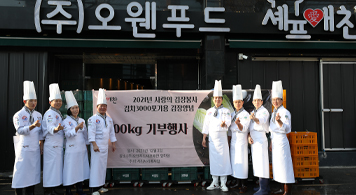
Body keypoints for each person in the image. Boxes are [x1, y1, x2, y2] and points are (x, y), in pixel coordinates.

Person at [12, 81, 43, 195]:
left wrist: (41, 144)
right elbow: (20, 130)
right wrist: (32, 126)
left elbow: (40, 132)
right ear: (25, 101)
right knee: (21, 171)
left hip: (34, 148)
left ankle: (31, 192)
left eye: (35, 100)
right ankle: (18, 192)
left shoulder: (38, 115)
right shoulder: (18, 115)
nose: (34, 103)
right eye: (31, 101)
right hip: (23, 147)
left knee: (32, 173)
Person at [202, 80, 232, 192]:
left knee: (223, 160)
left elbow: (228, 123)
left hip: (222, 139)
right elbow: (206, 126)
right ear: (213, 99)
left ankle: (223, 183)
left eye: (219, 98)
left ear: (222, 99)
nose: (217, 100)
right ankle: (215, 182)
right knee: (214, 160)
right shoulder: (209, 111)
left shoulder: (226, 111)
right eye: (215, 98)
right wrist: (204, 138)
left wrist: (225, 124)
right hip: (212, 139)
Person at [88, 88, 117, 195]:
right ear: (97, 107)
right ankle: (93, 189)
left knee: (102, 166)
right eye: (101, 106)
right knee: (95, 166)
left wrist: (113, 144)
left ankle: (100, 186)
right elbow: (91, 133)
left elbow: (112, 132)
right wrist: (94, 144)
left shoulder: (109, 119)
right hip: (97, 146)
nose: (103, 108)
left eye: (104, 106)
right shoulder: (92, 119)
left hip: (105, 146)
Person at [269, 81, 294, 195]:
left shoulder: (285, 112)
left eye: (278, 99)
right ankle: (280, 187)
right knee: (277, 165)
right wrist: (271, 142)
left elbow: (287, 128)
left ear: (282, 100)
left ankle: (286, 190)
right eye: (274, 100)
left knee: (284, 165)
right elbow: (271, 129)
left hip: (282, 141)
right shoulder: (274, 112)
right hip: (274, 141)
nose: (275, 102)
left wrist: (279, 121)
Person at [62, 91, 90, 195]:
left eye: (76, 108)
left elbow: (85, 134)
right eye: (73, 108)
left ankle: (79, 189)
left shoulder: (82, 119)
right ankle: (68, 190)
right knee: (70, 169)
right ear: (69, 110)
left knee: (80, 169)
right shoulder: (65, 121)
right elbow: (68, 134)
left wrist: (86, 145)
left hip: (81, 149)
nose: (75, 110)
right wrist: (77, 127)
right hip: (72, 149)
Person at [42, 83, 65, 195]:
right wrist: (56, 129)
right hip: (51, 144)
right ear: (50, 102)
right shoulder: (50, 113)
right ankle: (48, 190)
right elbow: (51, 127)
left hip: (57, 144)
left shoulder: (58, 113)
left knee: (55, 168)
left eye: (60, 101)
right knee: (50, 168)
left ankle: (53, 189)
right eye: (56, 101)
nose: (58, 103)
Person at [228, 85, 251, 193]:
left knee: (242, 162)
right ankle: (237, 182)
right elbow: (229, 128)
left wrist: (238, 124)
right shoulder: (232, 114)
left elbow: (244, 128)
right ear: (233, 103)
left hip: (241, 141)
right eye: (235, 102)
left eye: (239, 102)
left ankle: (244, 184)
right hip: (233, 141)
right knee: (235, 161)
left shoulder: (245, 114)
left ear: (242, 102)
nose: (237, 104)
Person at [248, 84, 270, 195]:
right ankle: (261, 186)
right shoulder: (254, 111)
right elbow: (250, 127)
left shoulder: (264, 111)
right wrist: (249, 137)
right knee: (257, 163)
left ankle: (264, 189)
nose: (257, 102)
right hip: (254, 140)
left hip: (261, 140)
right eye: (255, 100)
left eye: (258, 100)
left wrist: (255, 118)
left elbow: (260, 120)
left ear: (262, 101)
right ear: (253, 102)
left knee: (262, 164)